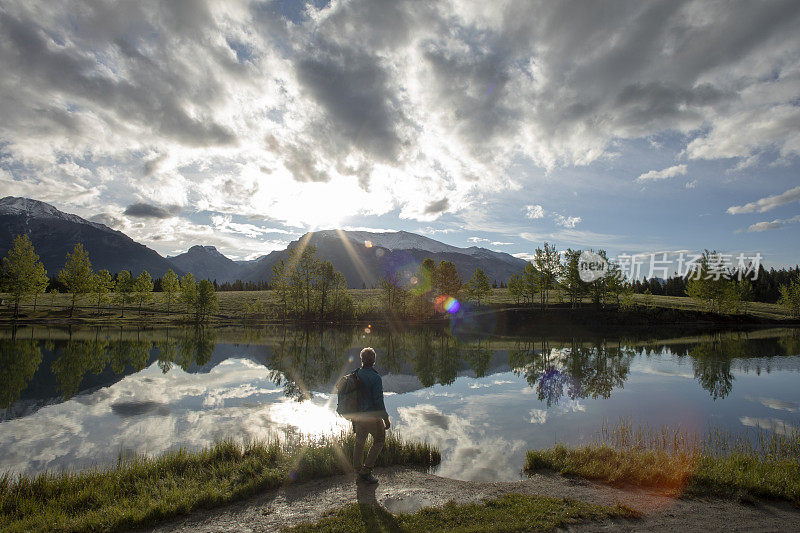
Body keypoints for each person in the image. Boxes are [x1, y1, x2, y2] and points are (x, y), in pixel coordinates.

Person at [352, 347, 390, 484]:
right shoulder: (375, 378)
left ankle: (357, 470)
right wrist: (386, 419)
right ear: (374, 360)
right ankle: (366, 471)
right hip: (372, 417)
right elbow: (379, 402)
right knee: (379, 441)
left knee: (359, 442)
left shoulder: (355, 374)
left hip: (358, 416)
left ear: (362, 360)